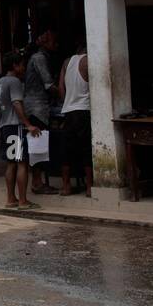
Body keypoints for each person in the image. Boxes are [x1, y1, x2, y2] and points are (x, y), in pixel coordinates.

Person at [0, 51, 43, 210]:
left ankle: (10, 198)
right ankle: (22, 201)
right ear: (15, 65)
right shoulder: (14, 82)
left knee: (11, 163)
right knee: (22, 163)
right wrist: (28, 124)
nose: (23, 68)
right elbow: (17, 104)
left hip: (5, 126)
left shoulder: (0, 82)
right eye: (21, 65)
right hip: (16, 126)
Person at [23, 29, 58, 194]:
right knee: (38, 146)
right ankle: (37, 182)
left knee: (39, 145)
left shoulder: (38, 57)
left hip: (36, 106)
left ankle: (38, 181)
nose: (55, 45)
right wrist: (64, 93)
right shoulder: (39, 58)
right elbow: (48, 84)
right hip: (37, 108)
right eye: (52, 41)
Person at [58, 44, 92, 197]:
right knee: (86, 149)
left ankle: (66, 186)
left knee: (67, 150)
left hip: (69, 112)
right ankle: (90, 187)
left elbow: (61, 87)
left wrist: (67, 102)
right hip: (84, 110)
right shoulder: (88, 61)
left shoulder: (66, 62)